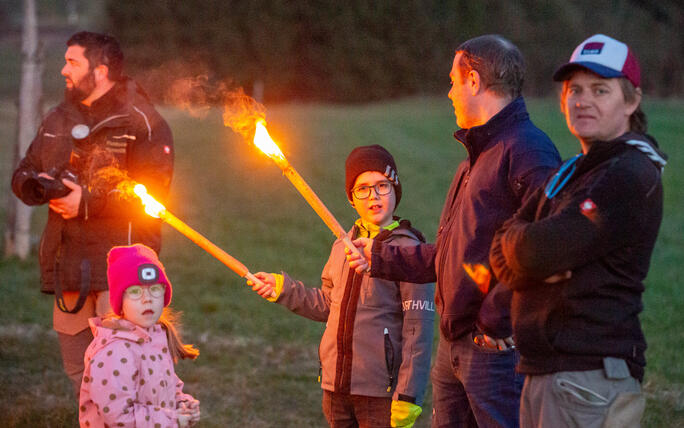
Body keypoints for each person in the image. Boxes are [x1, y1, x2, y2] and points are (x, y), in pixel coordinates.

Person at [347, 35, 561, 427]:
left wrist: (494, 321)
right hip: (455, 347)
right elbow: (452, 254)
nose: (449, 93)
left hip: (494, 354)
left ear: (475, 82)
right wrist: (377, 256)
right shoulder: (474, 160)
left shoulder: (528, 152)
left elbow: (549, 249)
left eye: (453, 81)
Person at [489, 34, 666, 428]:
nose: (582, 100)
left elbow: (536, 250)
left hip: (586, 379)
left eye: (600, 90)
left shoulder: (630, 174)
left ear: (631, 101)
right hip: (546, 372)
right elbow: (503, 244)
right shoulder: (572, 170)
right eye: (574, 90)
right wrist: (525, 256)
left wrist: (526, 255)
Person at [11, 31, 174, 396]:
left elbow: (154, 193)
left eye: (72, 62)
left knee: (126, 375)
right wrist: (37, 186)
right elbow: (23, 171)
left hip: (123, 268)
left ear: (100, 71)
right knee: (79, 374)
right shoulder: (58, 117)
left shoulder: (142, 121)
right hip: (69, 263)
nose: (62, 70)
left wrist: (87, 201)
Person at [249, 145, 435, 428]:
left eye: (382, 185)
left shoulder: (409, 252)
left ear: (395, 189)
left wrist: (409, 393)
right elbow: (328, 304)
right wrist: (284, 289)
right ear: (351, 199)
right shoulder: (341, 247)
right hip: (336, 387)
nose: (373, 195)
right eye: (363, 188)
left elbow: (417, 328)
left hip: (379, 392)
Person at [79, 244, 200, 427]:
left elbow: (167, 385)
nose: (147, 298)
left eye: (155, 289)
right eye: (135, 292)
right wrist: (172, 420)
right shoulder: (115, 351)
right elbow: (118, 416)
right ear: (120, 302)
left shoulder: (155, 337)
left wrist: (181, 404)